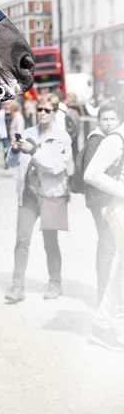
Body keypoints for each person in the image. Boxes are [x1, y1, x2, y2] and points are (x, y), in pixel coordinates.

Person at [4, 93, 73, 303]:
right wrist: (15, 151)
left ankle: (55, 282)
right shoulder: (27, 133)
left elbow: (57, 167)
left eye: (47, 110)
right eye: (40, 109)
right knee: (21, 241)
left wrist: (34, 151)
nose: (42, 113)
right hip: (28, 194)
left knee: (50, 242)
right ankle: (17, 287)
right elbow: (10, 161)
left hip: (51, 195)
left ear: (54, 112)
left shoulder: (63, 138)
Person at [84, 93, 124, 351]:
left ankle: (103, 325)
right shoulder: (115, 139)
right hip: (119, 210)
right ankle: (103, 326)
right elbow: (91, 174)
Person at [82, 101, 121, 305]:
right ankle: (102, 294)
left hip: (110, 201)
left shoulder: (112, 139)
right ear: (98, 121)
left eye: (112, 119)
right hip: (101, 203)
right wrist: (104, 204)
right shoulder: (96, 141)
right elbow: (92, 177)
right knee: (107, 246)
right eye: (104, 119)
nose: (108, 123)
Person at [0, 101, 12, 169]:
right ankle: (6, 162)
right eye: (4, 104)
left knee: (12, 148)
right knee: (6, 148)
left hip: (12, 134)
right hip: (4, 133)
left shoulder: (13, 111)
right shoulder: (1, 112)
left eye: (8, 104)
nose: (6, 106)